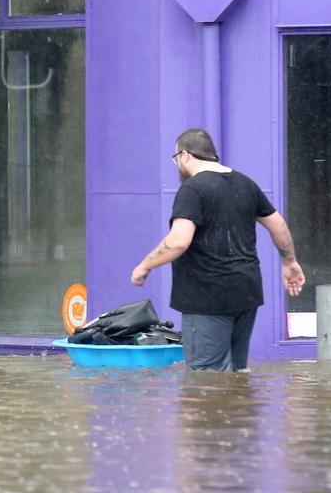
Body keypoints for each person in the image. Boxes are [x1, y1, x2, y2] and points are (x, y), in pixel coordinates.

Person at [130, 128, 306, 371]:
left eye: (175, 159)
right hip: (246, 293)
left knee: (207, 381)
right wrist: (289, 262)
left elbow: (179, 241)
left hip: (207, 297)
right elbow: (278, 224)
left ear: (184, 155)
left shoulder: (193, 188)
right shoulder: (245, 183)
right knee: (237, 373)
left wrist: (145, 265)